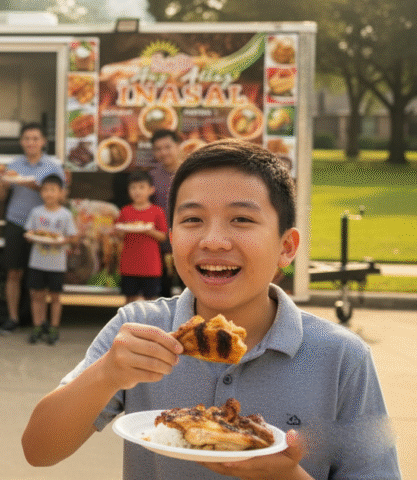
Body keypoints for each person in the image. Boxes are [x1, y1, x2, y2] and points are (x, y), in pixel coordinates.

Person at [22, 140, 401, 480]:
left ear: (286, 247)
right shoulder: (138, 328)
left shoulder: (342, 358)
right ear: (173, 239)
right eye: (192, 220)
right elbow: (38, 450)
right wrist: (106, 373)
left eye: (242, 219)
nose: (214, 240)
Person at [0, 122, 65, 334]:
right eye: (27, 139)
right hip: (16, 222)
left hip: (43, 226)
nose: (31, 142)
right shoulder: (13, 165)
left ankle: (41, 322)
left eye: (35, 139)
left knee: (40, 275)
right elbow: (0, 198)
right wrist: (2, 184)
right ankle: (12, 318)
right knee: (13, 272)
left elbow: (63, 198)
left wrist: (37, 187)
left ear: (43, 141)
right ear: (21, 142)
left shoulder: (53, 166)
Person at [23, 174, 78, 345]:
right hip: (37, 262)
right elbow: (29, 233)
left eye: (53, 190)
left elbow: (73, 237)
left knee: (55, 297)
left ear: (61, 193)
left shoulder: (65, 214)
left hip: (57, 265)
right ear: (41, 193)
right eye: (45, 190)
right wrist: (30, 236)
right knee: (37, 296)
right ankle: (38, 326)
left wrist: (62, 240)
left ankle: (54, 327)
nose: (49, 193)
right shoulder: (36, 212)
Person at [114, 171, 168, 305]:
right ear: (128, 190)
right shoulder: (125, 211)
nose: (137, 191)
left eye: (141, 187)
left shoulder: (157, 211)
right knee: (129, 300)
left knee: (151, 301)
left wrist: (149, 231)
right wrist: (119, 231)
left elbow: (163, 236)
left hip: (151, 266)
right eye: (133, 188)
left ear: (151, 190)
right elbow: (119, 234)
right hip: (128, 265)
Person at [149, 129, 181, 297]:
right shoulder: (151, 177)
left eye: (168, 147)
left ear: (178, 146)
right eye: (158, 149)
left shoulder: (190, 172)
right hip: (160, 243)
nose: (163, 152)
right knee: (163, 290)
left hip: (186, 240)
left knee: (190, 288)